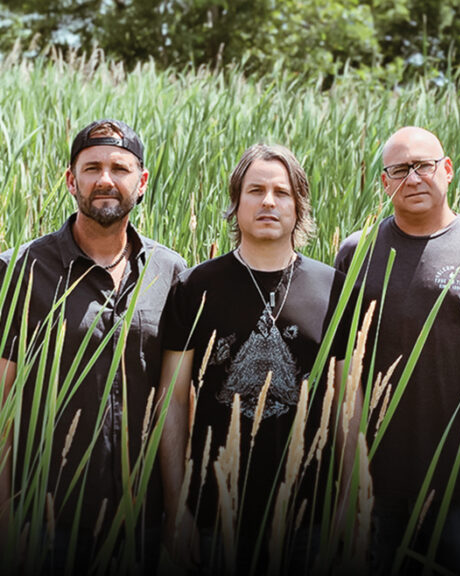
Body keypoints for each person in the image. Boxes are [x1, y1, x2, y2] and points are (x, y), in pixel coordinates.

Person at [333, 126, 460, 575]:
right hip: (376, 485)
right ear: (385, 183)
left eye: (424, 165)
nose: (413, 178)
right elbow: (342, 367)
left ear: (446, 171)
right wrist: (348, 469)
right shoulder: (356, 253)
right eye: (400, 169)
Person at [0, 119, 186, 571]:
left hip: (141, 517)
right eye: (92, 168)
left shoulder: (171, 270)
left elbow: (173, 401)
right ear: (71, 180)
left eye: (120, 168)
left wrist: (178, 513)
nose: (106, 179)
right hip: (43, 518)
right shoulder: (21, 269)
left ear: (141, 183)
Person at [157, 144, 350, 573]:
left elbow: (348, 409)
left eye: (281, 192)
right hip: (211, 511)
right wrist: (175, 508)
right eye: (255, 190)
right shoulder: (194, 287)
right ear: (236, 203)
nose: (268, 201)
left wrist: (348, 505)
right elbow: (171, 402)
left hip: (309, 517)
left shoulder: (334, 289)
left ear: (299, 205)